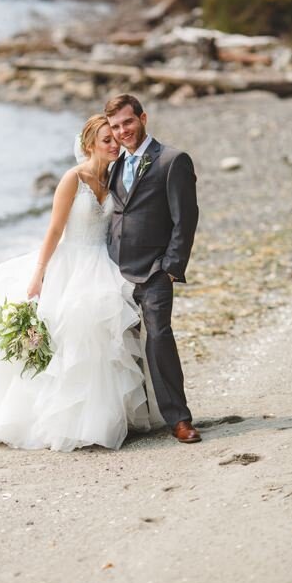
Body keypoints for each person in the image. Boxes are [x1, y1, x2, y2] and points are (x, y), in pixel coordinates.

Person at [0, 115, 160, 452]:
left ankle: (105, 418)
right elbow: (53, 229)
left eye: (115, 139)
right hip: (71, 262)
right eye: (106, 140)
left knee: (104, 340)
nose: (114, 144)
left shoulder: (114, 178)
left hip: (103, 264)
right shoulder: (72, 179)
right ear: (90, 144)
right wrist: (39, 273)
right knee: (71, 339)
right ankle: (66, 422)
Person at [103, 93, 201, 444]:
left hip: (155, 270)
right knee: (119, 344)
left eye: (127, 122)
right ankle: (135, 417)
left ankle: (179, 419)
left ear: (143, 118)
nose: (122, 131)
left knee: (159, 338)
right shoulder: (113, 164)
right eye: (115, 126)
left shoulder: (172, 160)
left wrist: (171, 267)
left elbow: (185, 219)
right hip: (115, 270)